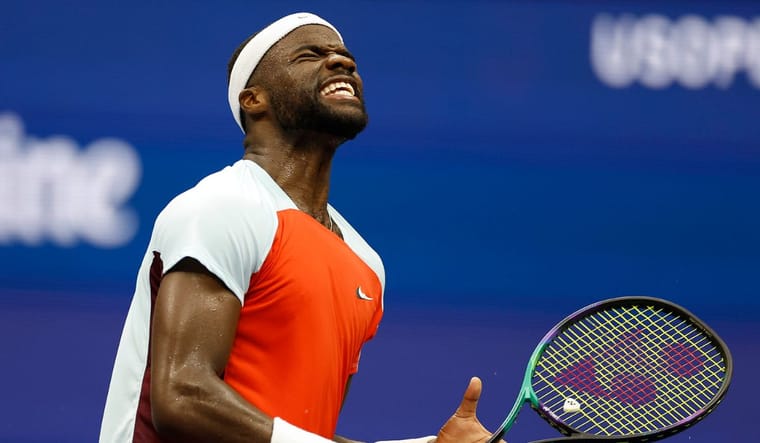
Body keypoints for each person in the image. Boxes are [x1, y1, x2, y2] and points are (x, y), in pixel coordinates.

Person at [100, 12, 501, 443]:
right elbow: (183, 398)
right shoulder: (220, 208)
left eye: (345, 57)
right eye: (311, 55)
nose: (340, 62)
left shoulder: (366, 265)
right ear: (254, 100)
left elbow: (305, 433)